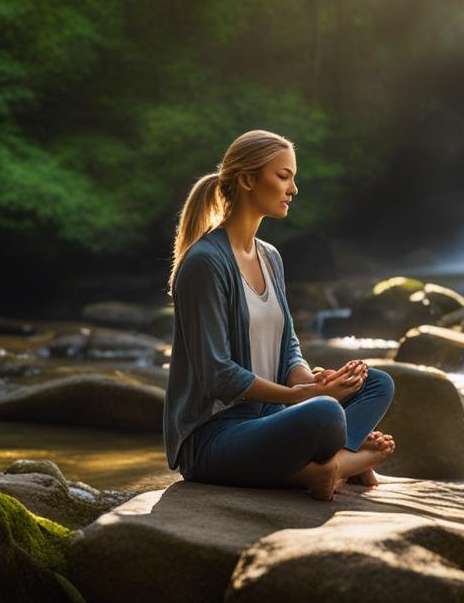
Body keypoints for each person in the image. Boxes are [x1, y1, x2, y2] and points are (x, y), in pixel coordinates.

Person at [162, 129, 396, 500]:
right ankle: (340, 464)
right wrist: (303, 396)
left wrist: (315, 383)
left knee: (377, 383)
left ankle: (322, 469)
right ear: (247, 180)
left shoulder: (270, 257)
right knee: (326, 415)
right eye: (283, 176)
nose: (294, 189)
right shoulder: (205, 262)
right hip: (213, 437)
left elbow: (288, 345)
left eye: (293, 178)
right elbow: (216, 375)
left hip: (269, 417)